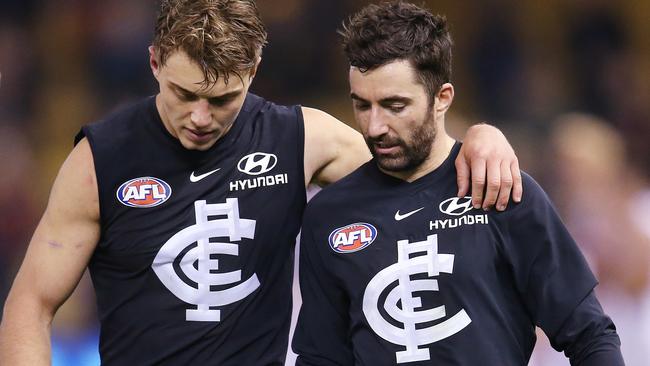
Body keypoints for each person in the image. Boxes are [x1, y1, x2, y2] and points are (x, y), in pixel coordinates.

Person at [0, 1, 522, 365]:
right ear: (155, 62)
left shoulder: (300, 138)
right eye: (184, 94)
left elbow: (422, 170)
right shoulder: (100, 160)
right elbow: (31, 304)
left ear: (253, 70)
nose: (201, 116)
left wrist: (481, 137)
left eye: (222, 99)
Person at [292, 2, 624, 365]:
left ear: (442, 98)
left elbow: (590, 334)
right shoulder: (329, 214)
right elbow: (320, 357)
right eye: (362, 105)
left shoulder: (502, 189)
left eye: (395, 106)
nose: (374, 127)